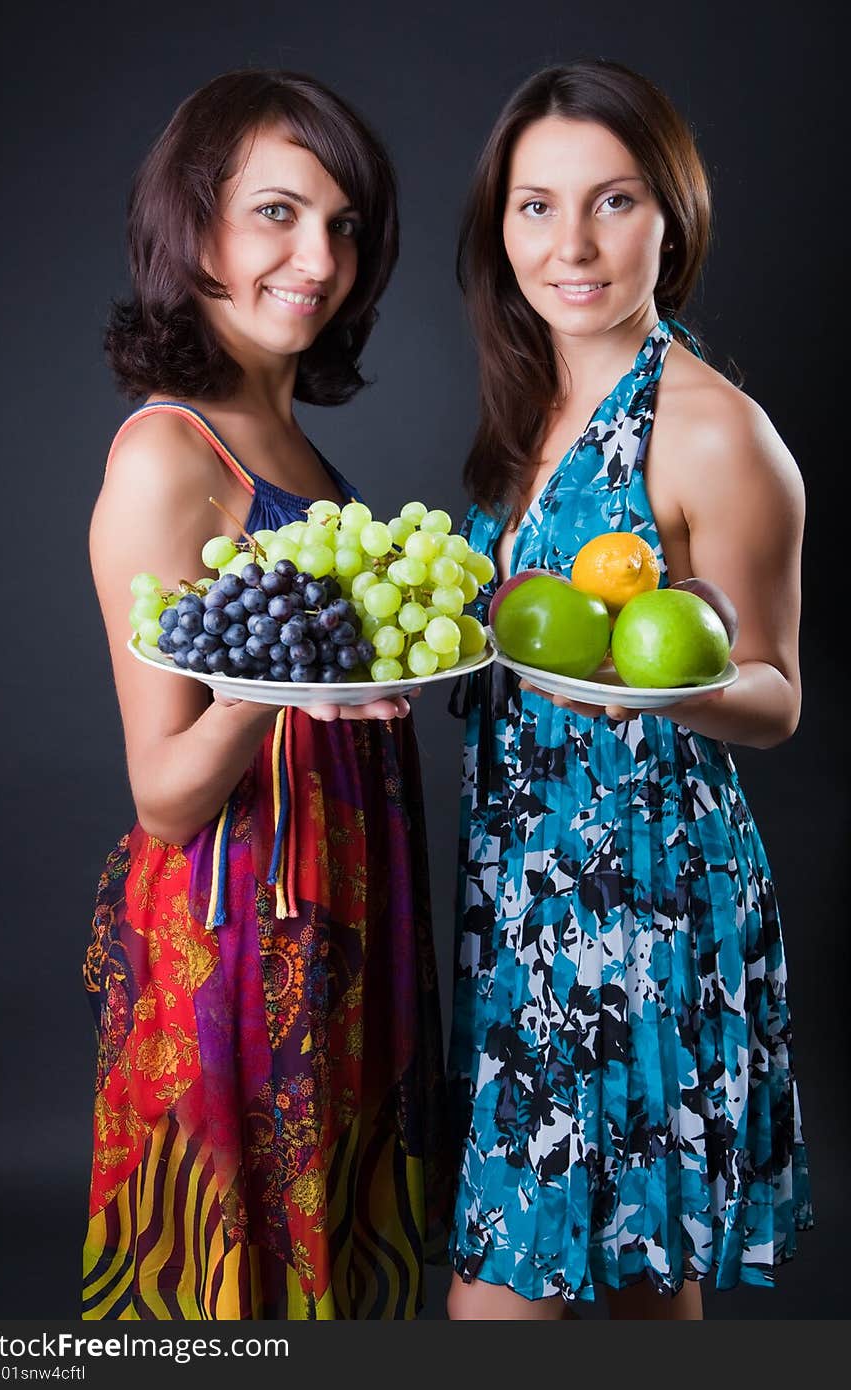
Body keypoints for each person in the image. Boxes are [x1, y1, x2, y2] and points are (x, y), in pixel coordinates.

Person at [82, 70, 450, 1321]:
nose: (320, 256)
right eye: (277, 213)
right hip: (241, 932)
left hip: (342, 912)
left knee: (339, 1273)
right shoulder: (167, 452)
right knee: (236, 1291)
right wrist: (267, 688)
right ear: (192, 227)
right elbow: (167, 797)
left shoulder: (283, 435)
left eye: (344, 225)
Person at [446, 59, 811, 1320]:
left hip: (643, 897)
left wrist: (658, 696)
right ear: (500, 227)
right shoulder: (535, 398)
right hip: (527, 884)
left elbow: (776, 693)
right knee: (625, 1295)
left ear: (672, 213)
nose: (574, 245)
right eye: (535, 206)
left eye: (612, 202)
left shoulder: (714, 429)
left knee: (574, 1297)